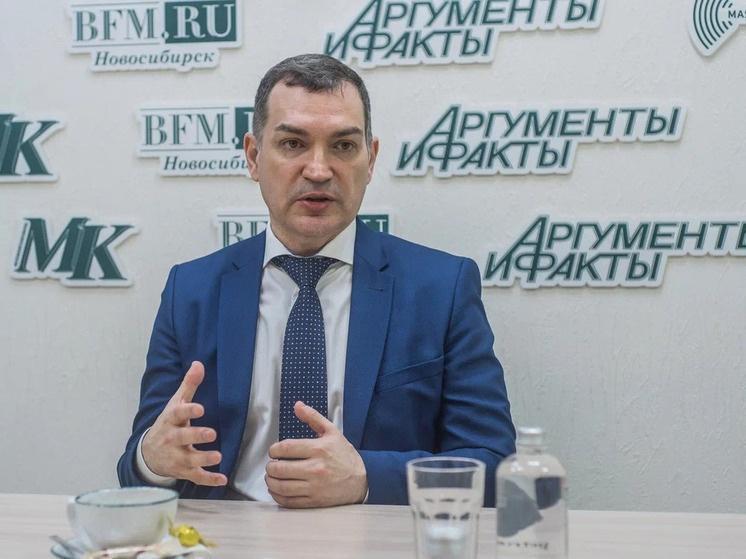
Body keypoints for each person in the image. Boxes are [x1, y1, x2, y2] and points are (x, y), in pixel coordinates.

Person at [118, 53, 515, 507]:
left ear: (371, 159)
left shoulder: (441, 289)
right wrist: (152, 460)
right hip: (226, 534)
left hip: (372, 535)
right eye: (293, 144)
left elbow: (494, 467)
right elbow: (137, 472)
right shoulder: (190, 291)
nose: (319, 170)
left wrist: (367, 478)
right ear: (253, 156)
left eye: (343, 146)